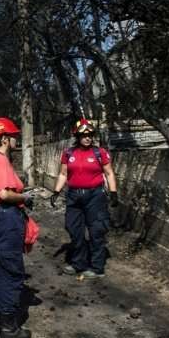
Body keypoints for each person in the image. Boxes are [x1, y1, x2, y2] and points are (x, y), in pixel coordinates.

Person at [0, 117, 33, 338]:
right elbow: (4, 193)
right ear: (4, 138)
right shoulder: (1, 161)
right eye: (13, 136)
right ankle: (9, 327)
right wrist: (25, 197)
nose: (15, 139)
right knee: (12, 271)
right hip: (6, 217)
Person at [52, 118, 119, 279]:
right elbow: (63, 174)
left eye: (90, 135)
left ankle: (97, 267)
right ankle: (78, 263)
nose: (87, 138)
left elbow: (109, 173)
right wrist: (56, 191)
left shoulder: (99, 153)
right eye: (84, 135)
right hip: (74, 196)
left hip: (95, 196)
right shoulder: (68, 153)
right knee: (74, 229)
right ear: (77, 136)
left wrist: (114, 192)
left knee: (96, 231)